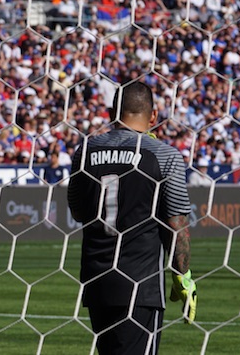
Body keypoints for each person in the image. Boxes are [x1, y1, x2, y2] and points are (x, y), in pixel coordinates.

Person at [67, 82, 196, 355]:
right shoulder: (164, 155)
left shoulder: (85, 151)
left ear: (113, 112)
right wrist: (182, 275)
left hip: (97, 281)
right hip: (140, 283)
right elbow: (176, 224)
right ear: (153, 116)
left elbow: (78, 212)